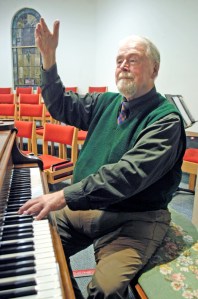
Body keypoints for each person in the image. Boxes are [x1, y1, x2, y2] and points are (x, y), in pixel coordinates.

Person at [18, 18, 186, 299]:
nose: (123, 65)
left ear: (154, 69)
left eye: (133, 59)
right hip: (90, 206)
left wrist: (63, 195)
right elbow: (60, 105)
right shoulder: (106, 103)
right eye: (119, 60)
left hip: (135, 217)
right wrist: (48, 59)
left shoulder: (165, 120)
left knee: (106, 290)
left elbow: (127, 175)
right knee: (37, 244)